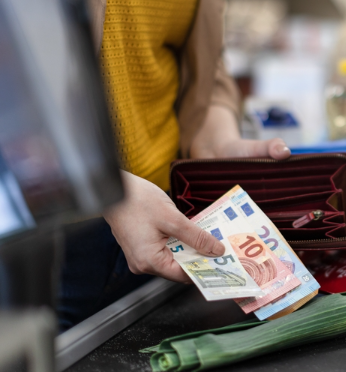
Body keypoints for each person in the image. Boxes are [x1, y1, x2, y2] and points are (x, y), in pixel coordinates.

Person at [58, 0, 290, 330]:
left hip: (165, 222)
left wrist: (216, 136)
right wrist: (106, 185)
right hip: (51, 244)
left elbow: (202, 66)